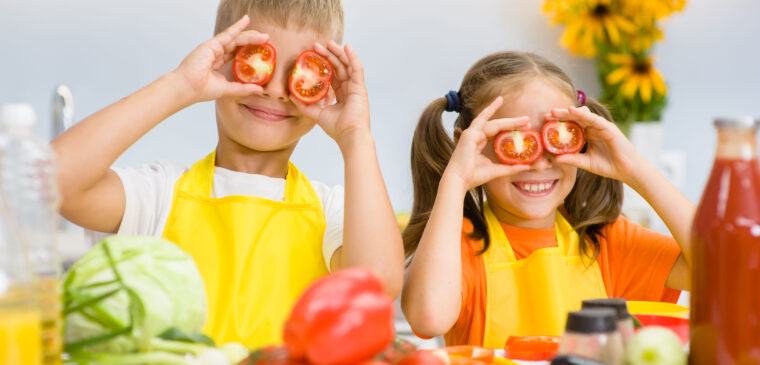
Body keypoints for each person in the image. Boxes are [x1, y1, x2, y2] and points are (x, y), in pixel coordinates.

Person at [52, 0, 404, 348]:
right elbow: (55, 181)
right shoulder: (158, 194)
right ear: (219, 61)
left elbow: (377, 283)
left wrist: (356, 137)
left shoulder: (332, 212)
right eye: (255, 60)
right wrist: (181, 86)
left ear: (325, 86)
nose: (275, 90)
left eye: (302, 72)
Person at [400, 51, 692, 348]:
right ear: (468, 145)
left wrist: (637, 170)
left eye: (559, 137)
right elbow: (428, 319)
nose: (539, 164)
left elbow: (724, 267)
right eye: (514, 141)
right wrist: (456, 179)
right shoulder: (457, 246)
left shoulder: (606, 243)